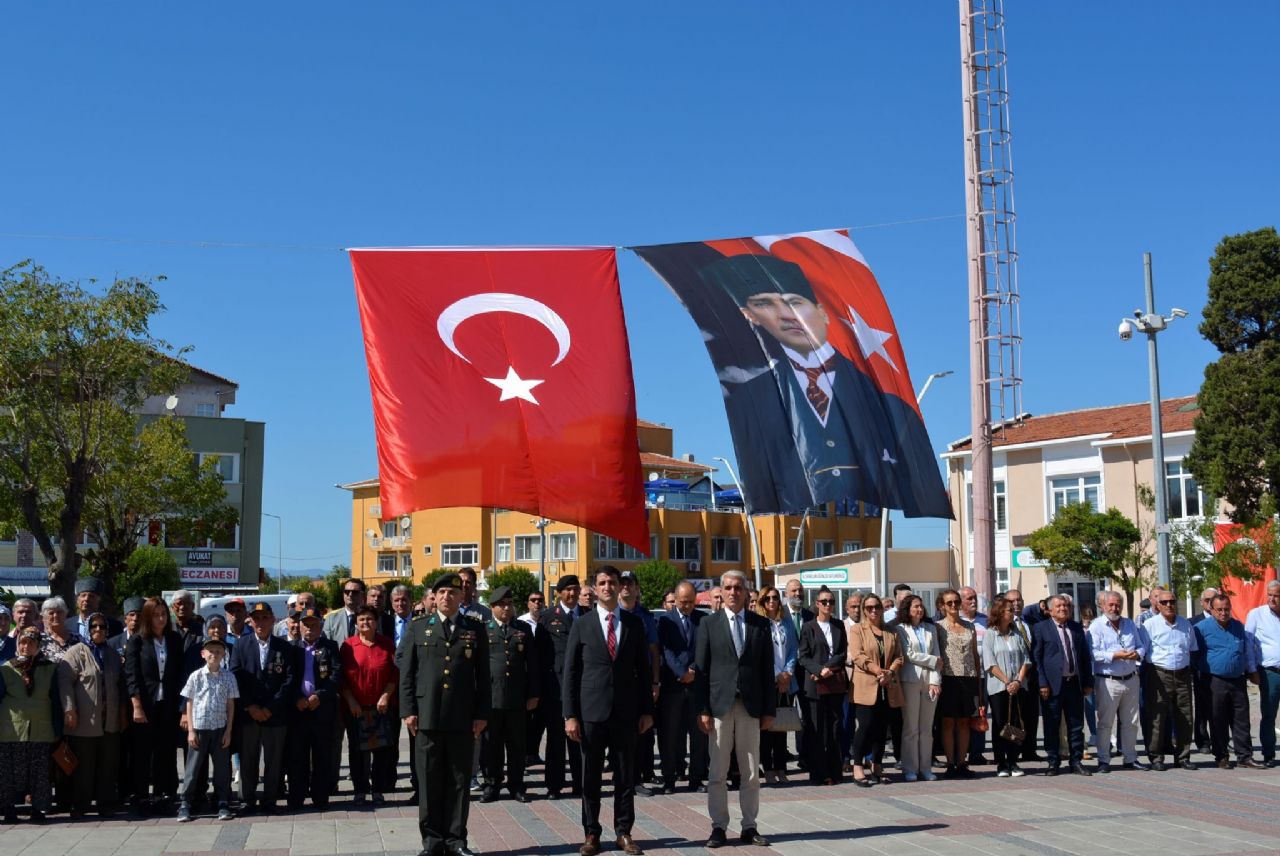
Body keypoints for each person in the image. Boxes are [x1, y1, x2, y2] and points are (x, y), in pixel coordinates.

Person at [563, 566, 653, 856]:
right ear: (595, 588)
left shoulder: (633, 624)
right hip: (591, 713)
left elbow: (643, 670)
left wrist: (647, 711)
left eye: (612, 582)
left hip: (626, 713)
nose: (608, 587)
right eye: (602, 583)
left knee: (625, 776)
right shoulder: (582, 624)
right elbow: (571, 673)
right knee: (590, 777)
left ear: (619, 587)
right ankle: (591, 833)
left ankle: (624, 832)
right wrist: (570, 715)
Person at [399, 573, 490, 856]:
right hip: (427, 716)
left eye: (453, 593)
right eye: (442, 593)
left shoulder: (474, 628)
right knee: (428, 780)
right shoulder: (418, 627)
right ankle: (432, 841)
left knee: (460, 780)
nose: (447, 597)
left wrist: (481, 713)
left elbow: (483, 676)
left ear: (462, 597)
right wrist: (408, 711)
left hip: (462, 717)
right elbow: (408, 674)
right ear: (433, 598)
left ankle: (456, 839)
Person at [695, 570, 774, 849]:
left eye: (737, 588)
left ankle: (749, 826)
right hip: (719, 706)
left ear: (746, 592)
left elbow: (767, 671)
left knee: (751, 772)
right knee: (717, 771)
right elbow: (701, 671)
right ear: (722, 590)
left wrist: (769, 709)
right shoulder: (708, 624)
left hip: (750, 707)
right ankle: (718, 826)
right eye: (727, 587)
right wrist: (703, 708)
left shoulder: (760, 625)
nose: (732, 592)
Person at [230, 601, 295, 813]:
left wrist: (270, 707)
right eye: (256, 618)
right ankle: (246, 800)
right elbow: (236, 676)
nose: (260, 622)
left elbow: (289, 680)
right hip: (249, 714)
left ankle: (269, 800)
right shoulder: (241, 645)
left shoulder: (284, 646)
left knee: (273, 761)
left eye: (265, 617)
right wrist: (251, 706)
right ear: (251, 620)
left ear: (273, 619)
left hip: (275, 714)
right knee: (248, 760)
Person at [59, 613, 126, 817]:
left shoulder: (113, 655)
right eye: (94, 627)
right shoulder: (75, 652)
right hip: (85, 721)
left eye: (102, 627)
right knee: (84, 768)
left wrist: (122, 714)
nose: (98, 630)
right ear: (87, 629)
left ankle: (105, 804)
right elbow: (65, 683)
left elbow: (121, 686)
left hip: (110, 721)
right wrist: (69, 709)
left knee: (108, 765)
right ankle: (80, 804)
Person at [480, 586, 539, 804]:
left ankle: (516, 785)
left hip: (517, 698)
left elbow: (532, 665)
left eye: (509, 604)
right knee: (491, 746)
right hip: (492, 699)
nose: (506, 608)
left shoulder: (522, 629)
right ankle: (491, 785)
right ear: (492, 607)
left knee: (517, 745)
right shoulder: (484, 630)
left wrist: (533, 694)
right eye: (501, 605)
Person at [126, 597, 185, 814]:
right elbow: (131, 675)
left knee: (165, 751)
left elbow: (179, 672)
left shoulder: (174, 639)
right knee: (142, 752)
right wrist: (137, 705)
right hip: (145, 705)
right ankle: (141, 796)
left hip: (167, 704)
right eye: (156, 615)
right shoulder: (138, 640)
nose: (160, 619)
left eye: (163, 614)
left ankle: (164, 794)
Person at [1194, 593, 1261, 769]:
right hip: (1214, 680)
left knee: (1241, 719)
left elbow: (1246, 651)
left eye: (1226, 609)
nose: (1223, 613)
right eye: (1219, 610)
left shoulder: (1238, 627)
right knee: (1218, 719)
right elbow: (1195, 655)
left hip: (1237, 680)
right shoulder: (1201, 628)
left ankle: (1244, 756)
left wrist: (1251, 671)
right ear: (1211, 609)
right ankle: (1221, 756)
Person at [0, 628, 60, 823]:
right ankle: (8, 809)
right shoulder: (6, 668)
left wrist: (58, 728)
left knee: (40, 773)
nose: (26, 647)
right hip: (11, 730)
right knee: (8, 772)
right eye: (22, 642)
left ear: (38, 645)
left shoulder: (50, 668)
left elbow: (56, 700)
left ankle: (38, 809)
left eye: (31, 643)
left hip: (41, 729)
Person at [176, 637, 238, 823]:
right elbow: (189, 702)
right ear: (203, 654)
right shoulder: (195, 676)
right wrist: (191, 731)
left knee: (221, 770)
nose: (214, 654)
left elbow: (231, 705)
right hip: (200, 729)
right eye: (210, 651)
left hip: (219, 729)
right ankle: (185, 803)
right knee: (193, 769)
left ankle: (222, 801)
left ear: (223, 655)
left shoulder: (229, 677)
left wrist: (228, 731)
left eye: (218, 651)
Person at [341, 605, 399, 804]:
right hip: (356, 708)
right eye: (361, 619)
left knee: (381, 752)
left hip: (382, 707)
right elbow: (343, 679)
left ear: (376, 622)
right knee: (357, 752)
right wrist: (350, 700)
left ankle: (378, 790)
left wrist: (386, 696)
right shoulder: (348, 646)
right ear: (356, 624)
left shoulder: (387, 645)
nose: (366, 623)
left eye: (369, 619)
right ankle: (359, 790)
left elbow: (395, 673)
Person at [1032, 595, 1094, 776]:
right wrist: (1042, 682)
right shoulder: (1041, 628)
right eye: (1059, 606)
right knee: (1052, 724)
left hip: (1074, 683)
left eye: (1066, 606)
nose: (1063, 609)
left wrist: (1088, 681)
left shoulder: (1076, 628)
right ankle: (1053, 762)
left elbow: (1084, 656)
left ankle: (1076, 762)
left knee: (1076, 725)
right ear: (1050, 610)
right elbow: (1037, 658)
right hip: (1051, 686)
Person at [287, 608, 340, 811]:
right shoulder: (291, 648)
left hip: (322, 710)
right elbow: (287, 678)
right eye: (306, 624)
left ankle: (320, 798)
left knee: (322, 756)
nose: (309, 628)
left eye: (314, 624)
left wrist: (320, 695)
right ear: (299, 626)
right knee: (297, 757)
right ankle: (296, 797)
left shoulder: (331, 646)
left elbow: (336, 675)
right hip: (298, 710)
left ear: (321, 626)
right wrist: (296, 698)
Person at [658, 581, 709, 792]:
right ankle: (669, 779)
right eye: (682, 602)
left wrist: (693, 671)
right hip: (673, 686)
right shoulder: (665, 621)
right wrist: (681, 673)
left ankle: (695, 779)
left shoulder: (703, 620)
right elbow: (666, 651)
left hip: (696, 685)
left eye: (690, 602)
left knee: (698, 735)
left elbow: (704, 649)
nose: (686, 606)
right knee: (669, 735)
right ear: (675, 600)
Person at [848, 593, 903, 786]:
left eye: (877, 607)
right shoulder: (857, 630)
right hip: (865, 685)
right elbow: (857, 656)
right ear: (864, 610)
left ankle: (877, 765)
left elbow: (899, 656)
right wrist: (877, 670)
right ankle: (857, 766)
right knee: (865, 726)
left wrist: (890, 672)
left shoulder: (891, 631)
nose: (873, 611)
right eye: (869, 608)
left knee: (881, 728)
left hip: (887, 686)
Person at [1139, 589, 1198, 770]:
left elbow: (1192, 648)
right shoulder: (1149, 625)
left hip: (1182, 674)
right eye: (1164, 602)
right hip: (1158, 674)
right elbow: (1142, 652)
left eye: (1172, 601)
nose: (1169, 605)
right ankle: (1156, 757)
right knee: (1157, 716)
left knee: (1185, 716)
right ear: (1157, 604)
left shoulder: (1185, 624)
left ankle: (1182, 757)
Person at [538, 574, 584, 799]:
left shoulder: (587, 615)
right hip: (555, 689)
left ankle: (580, 783)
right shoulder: (547, 618)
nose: (572, 594)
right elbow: (540, 656)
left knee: (579, 739)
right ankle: (554, 786)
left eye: (576, 589)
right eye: (568, 590)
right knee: (555, 741)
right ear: (559, 593)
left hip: (582, 689)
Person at [1088, 591, 1145, 772]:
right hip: (1108, 680)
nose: (1115, 608)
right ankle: (1103, 760)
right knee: (1106, 723)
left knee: (1131, 722)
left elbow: (1141, 645)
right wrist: (1114, 655)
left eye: (1117, 604)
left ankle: (1130, 758)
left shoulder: (1129, 624)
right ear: (1103, 606)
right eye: (1111, 605)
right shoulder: (1096, 626)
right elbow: (1093, 653)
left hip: (1130, 678)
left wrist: (1138, 654)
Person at [798, 587, 847, 785]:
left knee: (835, 728)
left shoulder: (838, 625)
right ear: (817, 604)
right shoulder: (809, 627)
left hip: (834, 683)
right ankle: (819, 772)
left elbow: (842, 653)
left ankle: (835, 771)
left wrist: (827, 669)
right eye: (824, 602)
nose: (828, 605)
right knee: (817, 730)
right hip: (815, 685)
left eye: (831, 601)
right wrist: (818, 670)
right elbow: (803, 656)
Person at [618, 570, 661, 796]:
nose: (626, 587)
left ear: (636, 588)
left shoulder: (645, 616)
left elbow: (654, 650)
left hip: (638, 681)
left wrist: (655, 682)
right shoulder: (609, 614)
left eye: (630, 583)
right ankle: (620, 777)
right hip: (613, 683)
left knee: (639, 733)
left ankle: (636, 779)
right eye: (622, 583)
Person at [895, 594, 941, 781]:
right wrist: (932, 660)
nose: (919, 610)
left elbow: (938, 657)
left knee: (926, 728)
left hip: (929, 681)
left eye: (921, 606)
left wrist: (935, 681)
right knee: (911, 727)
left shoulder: (931, 629)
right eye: (915, 606)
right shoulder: (900, 629)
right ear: (907, 609)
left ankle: (926, 767)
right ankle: (910, 768)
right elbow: (908, 654)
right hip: (910, 680)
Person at [754, 584, 797, 785]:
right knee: (767, 727)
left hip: (786, 682)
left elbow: (793, 650)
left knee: (782, 727)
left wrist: (787, 673)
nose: (772, 601)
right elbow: (759, 654)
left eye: (775, 598)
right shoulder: (759, 623)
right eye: (768, 598)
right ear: (762, 602)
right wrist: (777, 674)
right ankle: (768, 768)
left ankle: (781, 767)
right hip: (767, 681)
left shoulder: (786, 622)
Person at [982, 597, 1030, 777]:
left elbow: (1026, 659)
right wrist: (1007, 682)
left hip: (1018, 686)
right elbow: (990, 663)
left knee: (1016, 724)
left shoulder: (1017, 633)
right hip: (999, 687)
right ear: (1000, 613)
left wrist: (1018, 681)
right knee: (1001, 724)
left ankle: (1013, 761)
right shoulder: (990, 634)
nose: (1013, 612)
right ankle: (1001, 763)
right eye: (1009, 609)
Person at [935, 589, 981, 777]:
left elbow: (975, 655)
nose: (954, 606)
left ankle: (962, 762)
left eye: (956, 602)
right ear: (942, 606)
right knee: (947, 723)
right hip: (948, 677)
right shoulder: (938, 627)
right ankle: (950, 763)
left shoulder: (969, 627)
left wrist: (978, 681)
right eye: (949, 603)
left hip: (968, 678)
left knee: (964, 722)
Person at [1244, 580, 1280, 767]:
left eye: (1276, 595)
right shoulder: (1256, 614)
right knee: (1269, 713)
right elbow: (1248, 643)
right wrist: (1251, 669)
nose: (1272, 599)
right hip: (1269, 671)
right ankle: (1268, 753)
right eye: (1270, 595)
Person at [518, 590, 545, 769]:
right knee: (526, 721)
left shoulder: (548, 620)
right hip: (526, 678)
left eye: (540, 600)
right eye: (533, 600)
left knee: (541, 720)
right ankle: (524, 754)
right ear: (528, 603)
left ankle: (533, 752)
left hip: (544, 676)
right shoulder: (521, 622)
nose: (537, 603)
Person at [1191, 587, 1219, 752]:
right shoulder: (1193, 622)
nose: (1210, 603)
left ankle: (1219, 738)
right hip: (1201, 670)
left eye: (1213, 599)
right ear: (1201, 602)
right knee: (1201, 707)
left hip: (1219, 672)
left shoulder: (1223, 618)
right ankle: (1202, 741)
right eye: (1207, 600)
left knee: (1219, 708)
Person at [38, 596, 83, 663]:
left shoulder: (77, 638)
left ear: (65, 614)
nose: (55, 615)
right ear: (43, 617)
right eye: (51, 613)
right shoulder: (39, 639)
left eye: (59, 612)